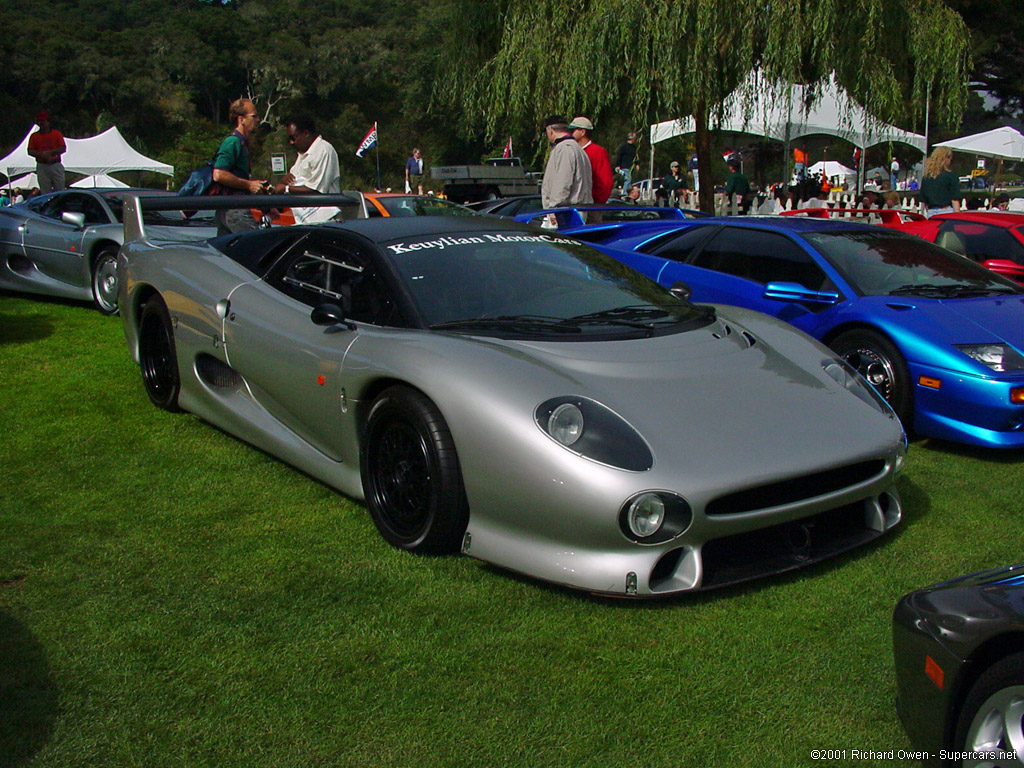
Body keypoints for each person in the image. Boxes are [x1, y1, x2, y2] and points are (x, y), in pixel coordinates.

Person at [212, 98, 268, 235]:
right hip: (234, 209)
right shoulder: (233, 142)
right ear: (241, 119)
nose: (258, 120)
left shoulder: (242, 143)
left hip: (230, 208)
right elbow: (218, 174)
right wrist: (248, 185)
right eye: (254, 116)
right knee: (256, 246)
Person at [272, 115, 341, 224]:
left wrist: (286, 188)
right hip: (305, 221)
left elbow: (317, 190)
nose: (291, 142)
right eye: (289, 139)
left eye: (293, 138)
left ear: (306, 134)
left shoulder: (323, 150)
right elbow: (294, 181)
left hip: (325, 220)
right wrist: (285, 180)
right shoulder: (302, 154)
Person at [540, 115, 592, 214]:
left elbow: (563, 182)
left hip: (566, 213)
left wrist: (554, 209)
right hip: (577, 209)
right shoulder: (579, 149)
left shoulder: (565, 148)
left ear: (550, 130)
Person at [570, 117, 613, 205]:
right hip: (576, 203)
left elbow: (605, 181)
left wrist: (596, 201)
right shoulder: (573, 151)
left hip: (591, 205)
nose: (570, 133)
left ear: (583, 132)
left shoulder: (598, 151)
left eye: (573, 130)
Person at [27, 111, 66, 194]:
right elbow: (30, 151)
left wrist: (50, 153)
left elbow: (63, 148)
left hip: (55, 164)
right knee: (45, 191)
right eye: (39, 121)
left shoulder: (56, 134)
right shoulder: (34, 136)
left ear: (48, 122)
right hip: (42, 165)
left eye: (43, 121)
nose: (41, 123)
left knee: (60, 189)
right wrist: (41, 154)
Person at [919, 146, 961, 218]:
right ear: (946, 159)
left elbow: (924, 201)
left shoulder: (926, 177)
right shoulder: (951, 176)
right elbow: (955, 199)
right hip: (946, 211)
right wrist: (958, 217)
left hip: (931, 212)